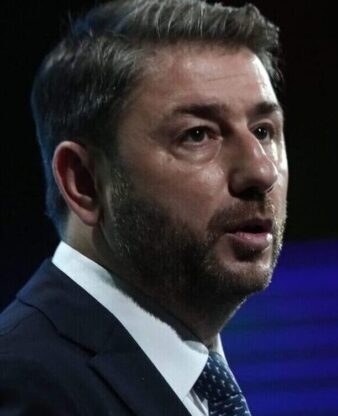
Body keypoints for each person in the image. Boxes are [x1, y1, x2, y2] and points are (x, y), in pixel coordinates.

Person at [0, 0, 288, 414]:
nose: (261, 171)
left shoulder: (198, 377)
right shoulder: (25, 387)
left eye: (263, 131)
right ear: (84, 182)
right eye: (197, 134)